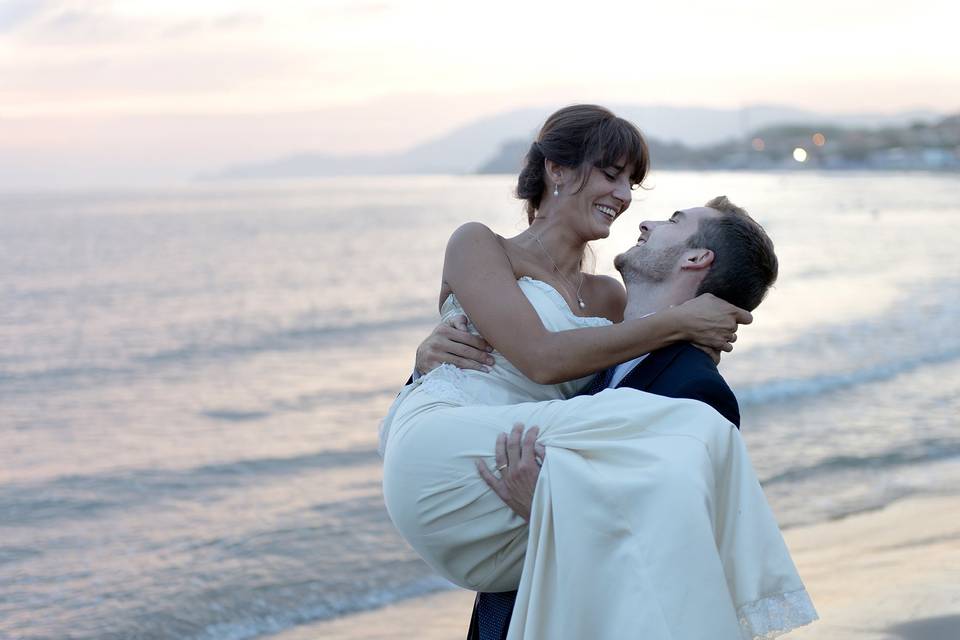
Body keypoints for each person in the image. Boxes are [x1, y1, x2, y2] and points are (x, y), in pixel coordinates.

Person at [379, 105, 817, 639]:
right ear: (556, 170)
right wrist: (421, 361)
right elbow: (537, 359)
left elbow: (629, 410)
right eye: (612, 174)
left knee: (698, 432)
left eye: (631, 182)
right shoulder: (479, 245)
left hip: (515, 493)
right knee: (702, 435)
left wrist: (554, 504)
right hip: (446, 442)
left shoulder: (611, 300)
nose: (626, 197)